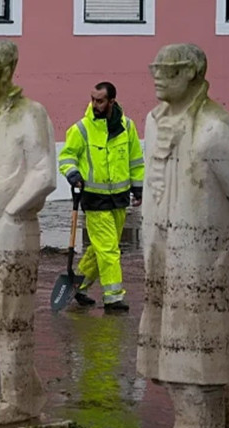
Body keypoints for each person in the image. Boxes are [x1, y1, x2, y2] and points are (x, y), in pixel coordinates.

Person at [137, 43, 229, 428]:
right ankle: (223, 412)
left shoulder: (214, 126)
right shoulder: (154, 122)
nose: (158, 75)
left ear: (191, 73)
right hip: (161, 241)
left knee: (195, 334)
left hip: (201, 248)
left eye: (168, 69)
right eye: (155, 68)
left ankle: (204, 426)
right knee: (163, 334)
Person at [0, 39, 56, 425]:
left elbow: (43, 172)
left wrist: (12, 210)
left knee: (12, 317)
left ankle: (16, 399)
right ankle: (27, 388)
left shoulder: (30, 114)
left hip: (12, 226)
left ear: (4, 74)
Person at [58, 82, 144, 311]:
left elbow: (135, 159)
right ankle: (113, 296)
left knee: (102, 248)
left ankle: (79, 285)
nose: (95, 104)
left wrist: (138, 188)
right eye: (93, 99)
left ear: (112, 102)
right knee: (109, 250)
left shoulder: (127, 126)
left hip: (119, 198)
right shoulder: (82, 128)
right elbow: (66, 157)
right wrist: (73, 173)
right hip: (94, 199)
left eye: (100, 100)